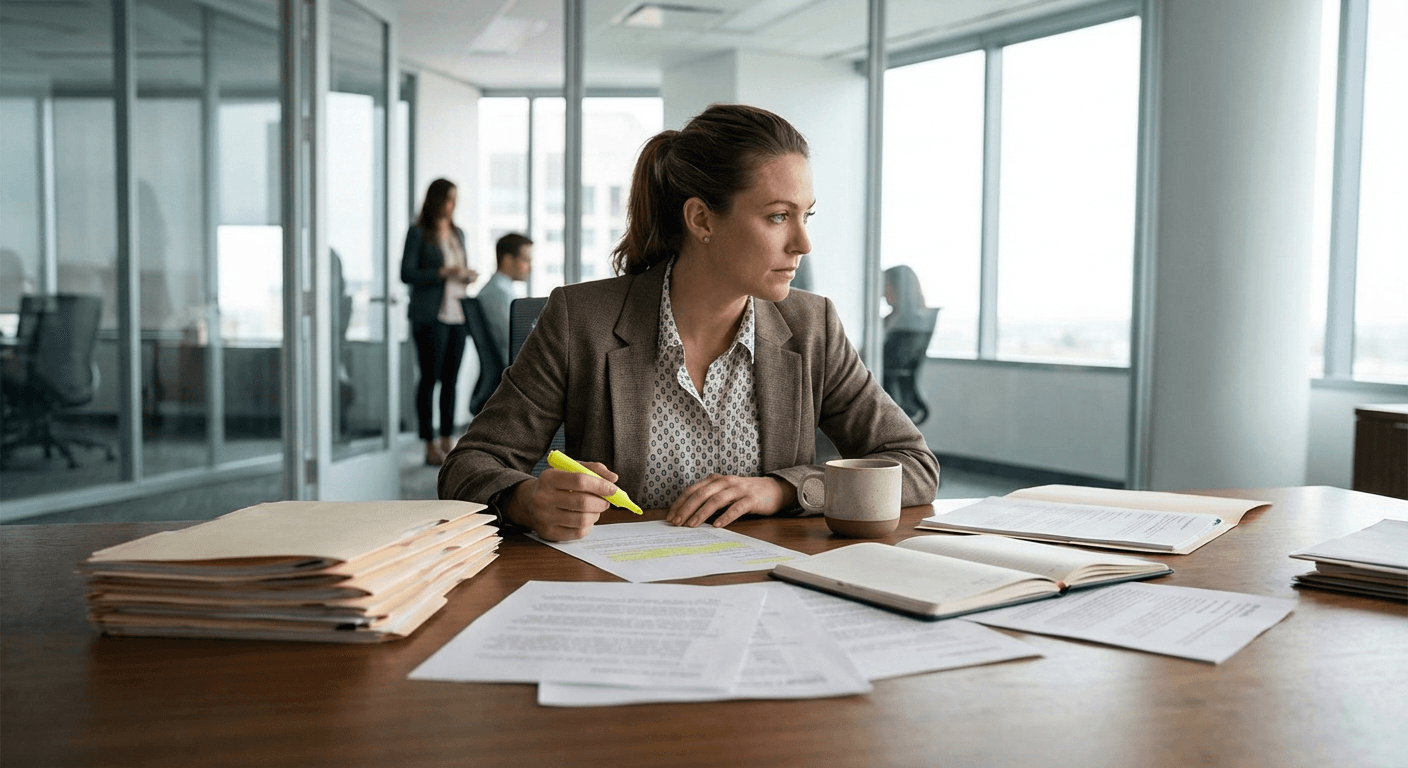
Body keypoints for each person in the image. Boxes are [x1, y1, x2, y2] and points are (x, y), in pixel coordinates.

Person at [439, 104, 939, 541]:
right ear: (701, 220)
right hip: (622, 596)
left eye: (806, 215)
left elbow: (914, 466)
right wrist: (528, 499)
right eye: (778, 217)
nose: (803, 244)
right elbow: (467, 466)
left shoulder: (812, 325)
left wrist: (782, 489)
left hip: (765, 593)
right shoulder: (579, 320)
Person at [401, 178, 478, 466]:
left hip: (458, 316)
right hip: (430, 316)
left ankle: (448, 441)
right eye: (449, 199)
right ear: (436, 200)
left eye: (455, 199)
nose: (453, 205)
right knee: (429, 379)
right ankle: (428, 443)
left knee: (451, 381)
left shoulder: (459, 233)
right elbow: (407, 273)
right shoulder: (419, 233)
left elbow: (461, 268)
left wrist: (467, 275)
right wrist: (442, 272)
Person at [476, 233, 534, 366]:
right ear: (507, 260)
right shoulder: (498, 293)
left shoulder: (500, 289)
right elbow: (516, 338)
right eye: (526, 260)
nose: (530, 268)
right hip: (513, 366)